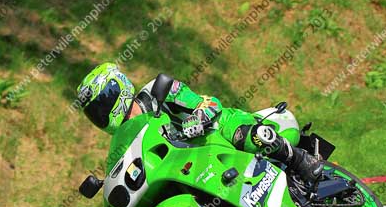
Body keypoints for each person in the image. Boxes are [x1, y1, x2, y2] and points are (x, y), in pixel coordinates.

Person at [76, 62, 323, 185]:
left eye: (102, 104)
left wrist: (197, 119)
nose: (100, 115)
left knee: (252, 136)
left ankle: (302, 161)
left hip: (219, 129)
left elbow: (209, 103)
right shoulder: (126, 138)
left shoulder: (155, 91)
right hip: (195, 166)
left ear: (118, 89)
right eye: (93, 113)